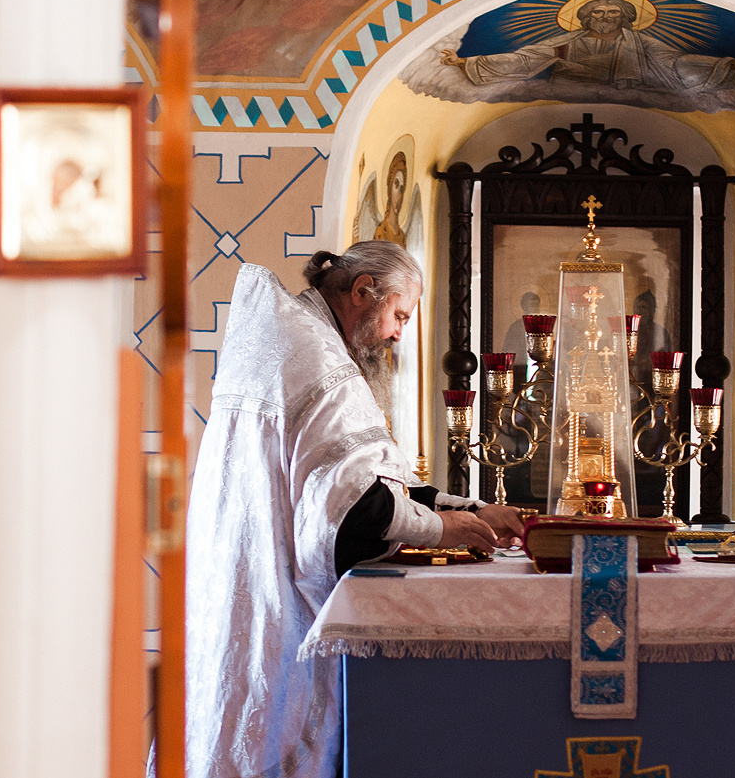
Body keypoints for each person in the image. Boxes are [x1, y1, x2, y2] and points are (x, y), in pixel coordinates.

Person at [185, 241, 524, 778]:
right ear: (363, 290)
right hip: (281, 605)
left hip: (237, 580)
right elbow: (352, 517)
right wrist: (443, 530)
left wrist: (475, 507)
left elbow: (365, 485)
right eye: (398, 314)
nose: (397, 333)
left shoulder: (289, 336)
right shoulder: (320, 360)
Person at [440, 0, 735, 93]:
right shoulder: (565, 43)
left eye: (612, 12)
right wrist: (466, 63)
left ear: (624, 18)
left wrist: (733, 65)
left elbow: (677, 64)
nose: (604, 17)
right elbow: (524, 61)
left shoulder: (643, 44)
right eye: (597, 12)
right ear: (586, 18)